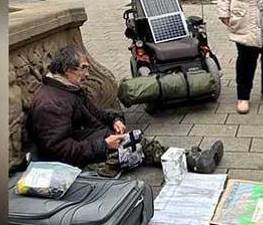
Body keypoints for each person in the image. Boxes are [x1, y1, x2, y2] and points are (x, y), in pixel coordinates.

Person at [29, 45, 224, 176]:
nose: (88, 74)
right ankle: (193, 160)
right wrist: (103, 144)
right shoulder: (51, 104)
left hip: (93, 142)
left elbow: (96, 114)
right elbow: (60, 150)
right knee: (139, 148)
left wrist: (114, 119)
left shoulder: (69, 88)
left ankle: (192, 158)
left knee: (139, 143)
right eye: (84, 69)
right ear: (67, 69)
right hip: (78, 164)